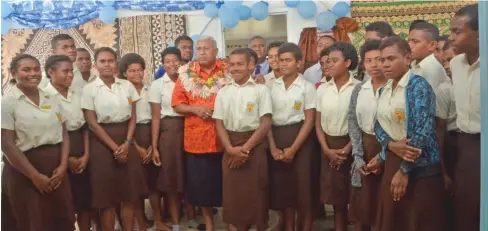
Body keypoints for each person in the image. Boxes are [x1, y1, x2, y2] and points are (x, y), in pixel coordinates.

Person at [367, 36, 445, 231]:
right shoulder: (385, 89)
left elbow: (423, 130)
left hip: (420, 168)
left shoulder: (418, 86)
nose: (385, 64)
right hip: (393, 160)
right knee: (393, 221)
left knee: (416, 222)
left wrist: (404, 170)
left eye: (391, 59)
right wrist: (390, 146)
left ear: (408, 58)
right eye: (381, 59)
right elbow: (378, 124)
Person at [1, 54, 75, 231]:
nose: (33, 73)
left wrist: (64, 166)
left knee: (62, 218)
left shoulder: (51, 98)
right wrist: (34, 176)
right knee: (33, 220)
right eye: (26, 70)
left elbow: (64, 133)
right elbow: (7, 144)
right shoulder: (7, 103)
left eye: (36, 69)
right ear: (13, 73)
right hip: (25, 171)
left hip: (56, 169)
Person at [81, 47, 148, 231]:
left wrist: (126, 143)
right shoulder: (89, 89)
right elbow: (92, 123)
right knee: (107, 198)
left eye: (110, 61)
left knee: (129, 194)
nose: (107, 65)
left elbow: (133, 117)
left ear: (115, 63)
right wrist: (115, 148)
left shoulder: (126, 86)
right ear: (96, 65)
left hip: (126, 139)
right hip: (101, 143)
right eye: (102, 61)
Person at [171, 36, 231, 231]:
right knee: (202, 188)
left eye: (206, 48)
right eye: (199, 48)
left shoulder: (229, 70)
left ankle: (231, 223)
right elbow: (177, 105)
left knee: (228, 185)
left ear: (216, 51)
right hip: (197, 141)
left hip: (226, 139)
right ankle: (210, 225)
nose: (202, 51)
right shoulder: (186, 74)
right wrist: (196, 109)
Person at [213, 48, 272, 231]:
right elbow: (219, 123)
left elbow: (265, 123)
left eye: (240, 64)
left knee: (256, 195)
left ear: (251, 65)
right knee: (233, 197)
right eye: (232, 64)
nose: (235, 68)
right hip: (230, 146)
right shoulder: (223, 92)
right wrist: (230, 149)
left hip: (254, 146)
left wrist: (245, 149)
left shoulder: (261, 90)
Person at [267, 42, 317, 231]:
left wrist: (294, 148)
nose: (284, 64)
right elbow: (267, 119)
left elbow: (310, 120)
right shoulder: (271, 86)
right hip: (277, 137)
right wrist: (272, 147)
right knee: (284, 190)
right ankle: (289, 227)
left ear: (299, 63)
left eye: (288, 60)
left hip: (301, 140)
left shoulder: (307, 87)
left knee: (303, 189)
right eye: (281, 60)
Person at [42, 55, 92, 231]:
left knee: (85, 201)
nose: (70, 75)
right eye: (65, 71)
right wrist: (67, 159)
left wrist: (86, 154)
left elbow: (84, 126)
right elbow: (50, 133)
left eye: (71, 71)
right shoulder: (44, 97)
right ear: (51, 72)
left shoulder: (75, 94)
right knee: (64, 204)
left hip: (81, 148)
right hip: (59, 153)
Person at [315, 42, 360, 231]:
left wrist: (347, 148)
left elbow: (361, 123)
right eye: (327, 61)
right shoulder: (323, 89)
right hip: (329, 145)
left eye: (335, 61)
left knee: (356, 196)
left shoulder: (359, 87)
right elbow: (318, 122)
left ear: (348, 62)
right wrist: (326, 149)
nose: (329, 65)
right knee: (336, 199)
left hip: (353, 145)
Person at [118, 53, 163, 231]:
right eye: (132, 71)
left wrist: (154, 145)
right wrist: (136, 147)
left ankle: (158, 220)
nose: (137, 74)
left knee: (154, 183)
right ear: (124, 73)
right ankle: (141, 223)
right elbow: (126, 121)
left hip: (150, 134)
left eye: (140, 70)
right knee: (135, 185)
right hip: (130, 137)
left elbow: (155, 117)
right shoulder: (121, 91)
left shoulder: (150, 89)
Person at [347, 40, 386, 231]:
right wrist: (358, 155)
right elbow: (353, 121)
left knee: (384, 205)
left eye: (379, 59)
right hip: (365, 147)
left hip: (388, 150)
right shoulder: (359, 89)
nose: (374, 65)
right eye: (368, 60)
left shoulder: (395, 87)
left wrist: (382, 157)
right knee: (363, 205)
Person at [448, 4, 480, 231]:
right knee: (466, 209)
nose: (451, 38)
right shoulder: (455, 64)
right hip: (466, 147)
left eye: (457, 31)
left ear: (480, 34)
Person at [149, 47, 187, 231]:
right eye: (168, 61)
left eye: (175, 60)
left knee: (189, 177)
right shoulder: (157, 85)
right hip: (169, 133)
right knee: (172, 180)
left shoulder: (189, 81)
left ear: (182, 62)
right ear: (163, 64)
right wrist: (154, 146)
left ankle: (193, 217)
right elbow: (156, 117)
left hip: (191, 130)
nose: (172, 64)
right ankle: (176, 224)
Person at [435, 40, 458, 231]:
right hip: (452, 145)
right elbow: (439, 131)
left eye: (451, 60)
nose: (447, 66)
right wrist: (443, 171)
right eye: (444, 61)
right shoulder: (444, 89)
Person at [408, 22, 449, 90]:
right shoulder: (415, 65)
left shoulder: (431, 68)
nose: (409, 46)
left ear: (432, 45)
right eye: (408, 41)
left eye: (415, 41)